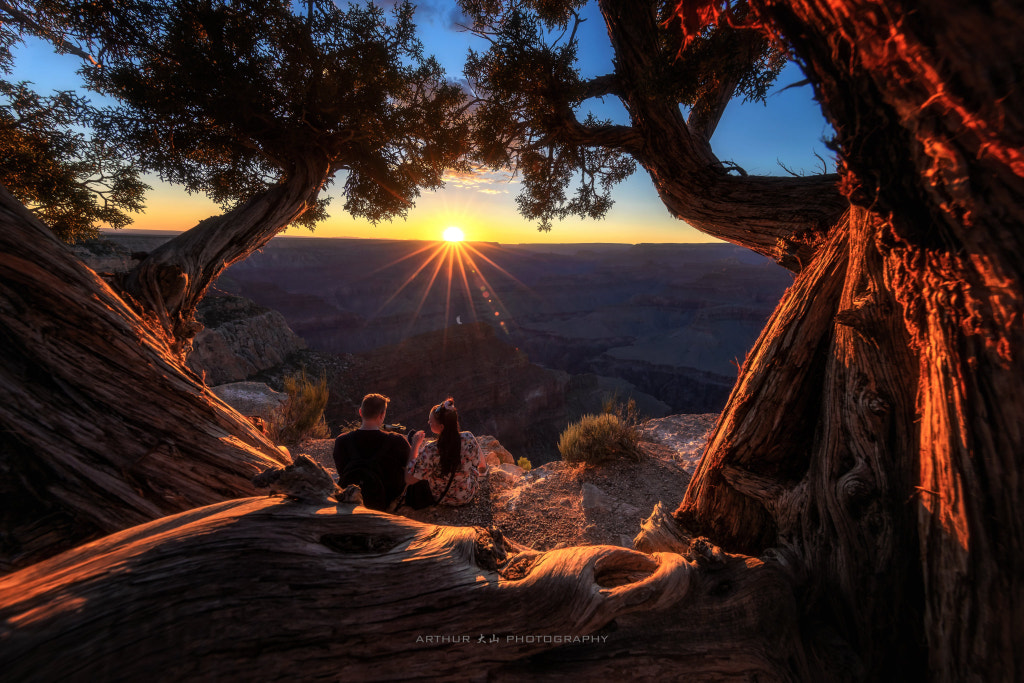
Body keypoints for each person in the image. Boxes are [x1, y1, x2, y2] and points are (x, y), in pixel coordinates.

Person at [332, 393, 411, 511]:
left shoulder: (342, 441)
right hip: (383, 500)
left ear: (360, 412)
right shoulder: (397, 441)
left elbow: (341, 470)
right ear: (382, 414)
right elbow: (411, 468)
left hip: (350, 497)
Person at [405, 398, 483, 506]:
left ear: (441, 427)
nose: (428, 423)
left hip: (439, 498)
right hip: (466, 495)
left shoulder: (430, 450)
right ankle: (485, 471)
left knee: (424, 469)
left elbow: (409, 479)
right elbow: (477, 463)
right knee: (474, 456)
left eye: (431, 421)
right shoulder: (468, 437)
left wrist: (415, 445)